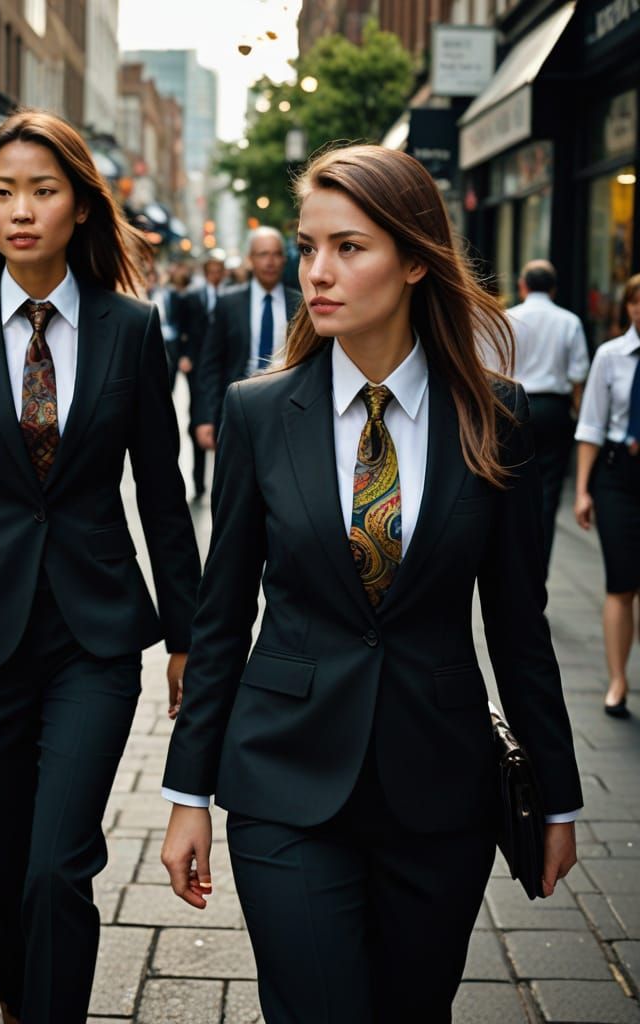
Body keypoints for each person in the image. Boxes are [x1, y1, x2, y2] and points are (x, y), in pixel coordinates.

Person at [159, 144, 582, 1023]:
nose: (317, 272)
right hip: (283, 780)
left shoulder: (495, 415)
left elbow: (518, 622)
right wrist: (187, 793)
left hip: (440, 788)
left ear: (416, 260)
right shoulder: (258, 412)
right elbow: (222, 615)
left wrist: (558, 797)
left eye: (348, 248)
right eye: (308, 248)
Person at [0, 110, 200, 1024]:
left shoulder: (131, 328)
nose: (21, 210)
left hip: (94, 636)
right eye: (3, 192)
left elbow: (164, 496)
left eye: (44, 191)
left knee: (59, 865)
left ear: (81, 207)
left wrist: (189, 638)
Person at [574, 272, 640, 718]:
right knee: (621, 582)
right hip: (618, 478)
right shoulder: (610, 356)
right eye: (634, 302)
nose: (639, 309)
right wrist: (582, 490)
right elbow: (592, 426)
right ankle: (618, 680)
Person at [506, 259, 590, 570]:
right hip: (555, 409)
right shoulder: (569, 321)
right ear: (553, 289)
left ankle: (513, 565)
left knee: (511, 489)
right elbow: (578, 375)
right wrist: (579, 416)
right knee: (549, 494)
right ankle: (538, 569)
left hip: (513, 407)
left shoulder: (508, 319)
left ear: (522, 286)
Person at [194, 227, 300, 450]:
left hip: (285, 409)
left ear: (284, 259)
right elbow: (210, 364)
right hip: (237, 406)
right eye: (263, 254)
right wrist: (205, 416)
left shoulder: (300, 305)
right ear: (250, 259)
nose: (270, 262)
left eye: (276, 254)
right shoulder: (228, 304)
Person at [178, 254, 226, 498]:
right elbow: (183, 328)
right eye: (212, 270)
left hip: (221, 365)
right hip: (197, 364)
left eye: (219, 270)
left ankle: (221, 482)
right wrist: (184, 355)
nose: (215, 275)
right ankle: (198, 481)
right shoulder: (192, 297)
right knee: (198, 417)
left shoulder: (229, 297)